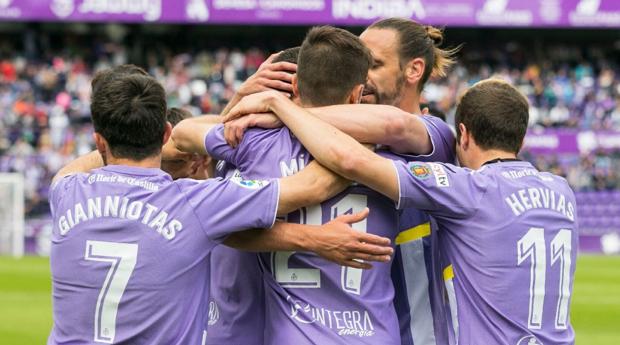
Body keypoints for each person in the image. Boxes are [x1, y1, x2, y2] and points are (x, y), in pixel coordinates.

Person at [47, 72, 393, 344]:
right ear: (167, 133)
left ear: (98, 140)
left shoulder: (65, 191)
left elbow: (79, 164)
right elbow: (314, 185)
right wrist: (367, 132)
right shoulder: (195, 201)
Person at [225, 78, 578, 345]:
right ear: (521, 138)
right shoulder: (561, 192)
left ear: (464, 136)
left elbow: (351, 160)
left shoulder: (468, 190)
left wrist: (279, 106)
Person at [223, 18, 458, 345]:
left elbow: (393, 126)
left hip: (419, 333)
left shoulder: (434, 134)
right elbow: (193, 142)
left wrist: (280, 110)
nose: (362, 73)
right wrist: (241, 101)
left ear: (414, 70)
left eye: (374, 63)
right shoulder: (317, 137)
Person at [173, 26, 404, 345]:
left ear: (294, 84)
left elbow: (181, 134)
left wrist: (256, 103)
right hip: (372, 333)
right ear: (356, 94)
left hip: (285, 333)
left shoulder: (252, 141)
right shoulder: (387, 151)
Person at [205, 46, 301, 345]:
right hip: (227, 323)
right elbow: (193, 151)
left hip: (265, 326)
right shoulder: (236, 139)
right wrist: (239, 98)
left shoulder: (293, 146)